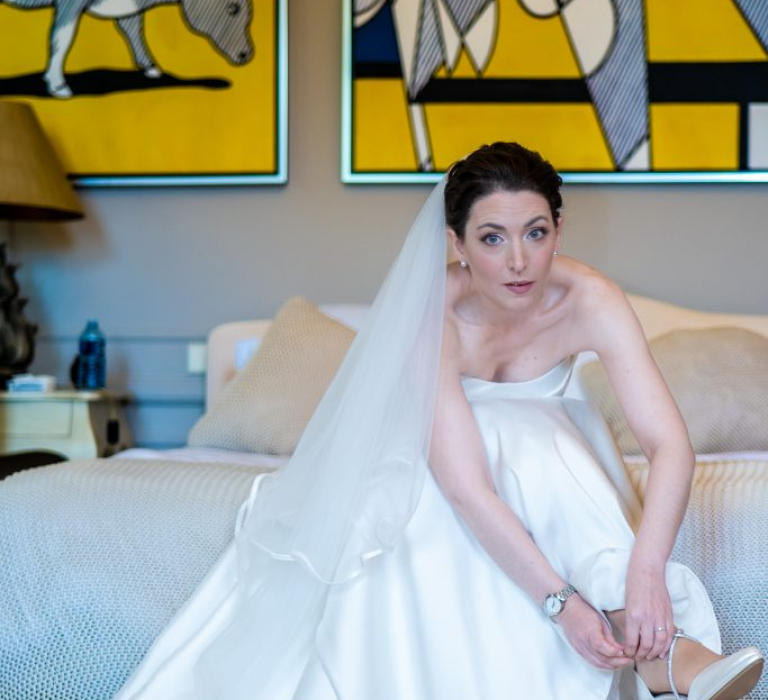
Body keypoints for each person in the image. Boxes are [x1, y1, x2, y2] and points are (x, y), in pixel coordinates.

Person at [115, 143, 764, 700]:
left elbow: (669, 444)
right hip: (441, 474)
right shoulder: (433, 313)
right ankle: (666, 657)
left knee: (540, 438)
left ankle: (651, 640)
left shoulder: (590, 298)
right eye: (492, 238)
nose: (518, 261)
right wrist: (561, 606)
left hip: (558, 462)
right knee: (524, 438)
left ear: (559, 231)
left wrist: (648, 571)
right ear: (456, 245)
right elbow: (467, 487)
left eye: (536, 233)